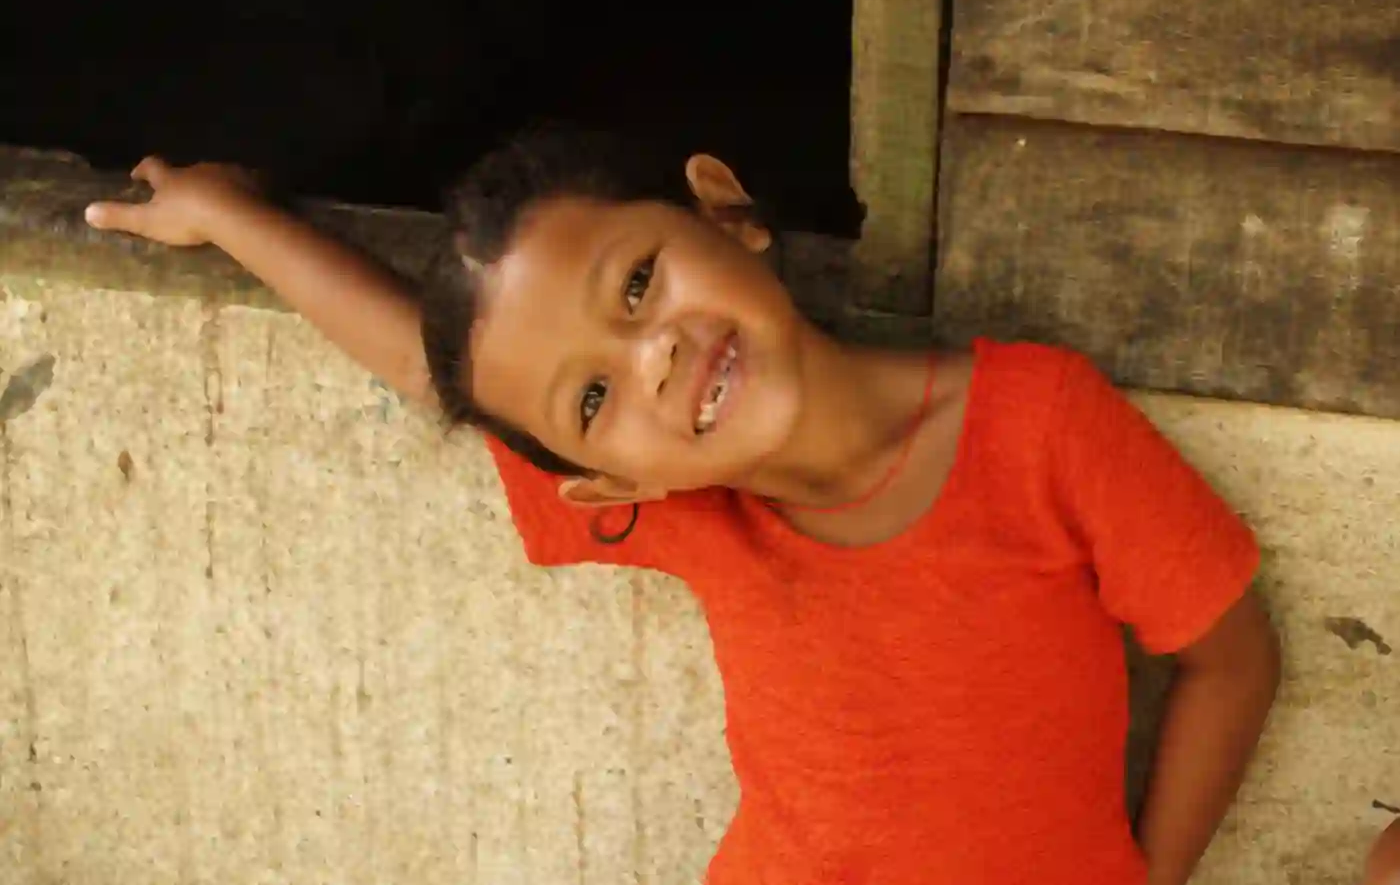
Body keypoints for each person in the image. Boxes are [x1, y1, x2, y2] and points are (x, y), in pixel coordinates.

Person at [85, 126, 1282, 885]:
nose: (650, 357)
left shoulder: (1037, 426)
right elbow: (421, 361)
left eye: (636, 284)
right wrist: (227, 217)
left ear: (726, 214)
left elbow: (1230, 659)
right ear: (610, 484)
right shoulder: (689, 508)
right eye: (591, 397)